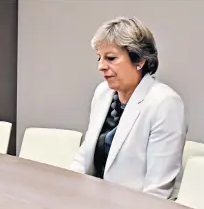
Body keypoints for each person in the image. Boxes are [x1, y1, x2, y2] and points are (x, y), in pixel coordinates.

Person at [70, 17, 188, 199]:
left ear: (139, 60)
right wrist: (67, 192)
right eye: (99, 58)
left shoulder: (165, 103)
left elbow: (158, 189)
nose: (101, 66)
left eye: (111, 58)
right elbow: (84, 156)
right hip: (93, 203)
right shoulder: (103, 93)